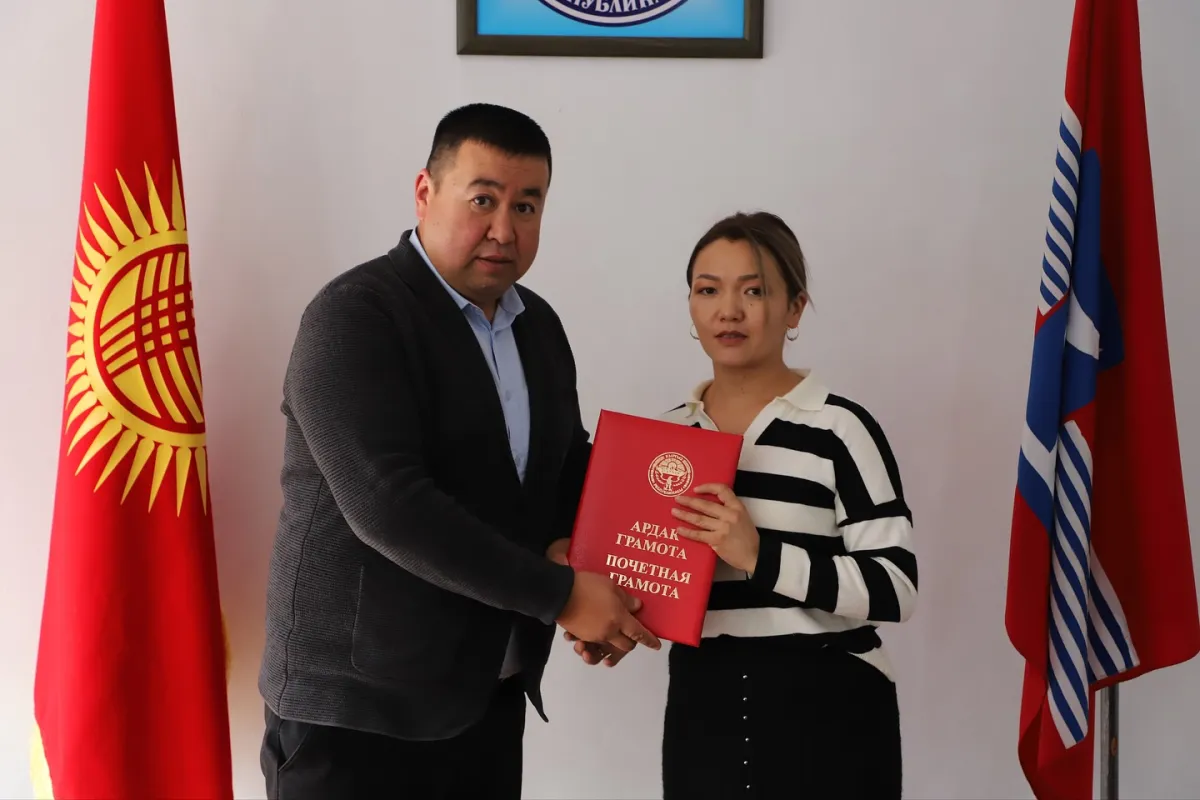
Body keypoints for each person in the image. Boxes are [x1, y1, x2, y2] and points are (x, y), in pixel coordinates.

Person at [257, 102, 660, 800]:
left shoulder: (538, 327)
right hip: (355, 717)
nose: (504, 229)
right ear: (425, 192)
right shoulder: (354, 315)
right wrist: (564, 596)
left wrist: (606, 554)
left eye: (526, 205)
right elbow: (390, 506)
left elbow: (562, 469)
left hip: (484, 701)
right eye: (483, 200)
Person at [571, 210, 917, 798]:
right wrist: (612, 623)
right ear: (690, 305)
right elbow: (644, 580)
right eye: (708, 290)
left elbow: (896, 587)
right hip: (705, 706)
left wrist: (759, 555)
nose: (728, 311)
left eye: (753, 291)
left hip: (831, 704)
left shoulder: (840, 429)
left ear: (795, 308)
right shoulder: (661, 440)